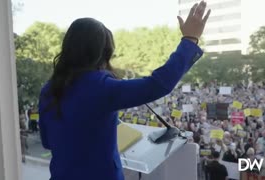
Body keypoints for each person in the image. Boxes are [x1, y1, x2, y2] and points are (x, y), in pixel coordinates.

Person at [38, 1, 211, 180]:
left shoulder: (48, 90)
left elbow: (48, 142)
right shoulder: (101, 87)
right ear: (103, 53)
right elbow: (158, 84)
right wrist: (190, 40)